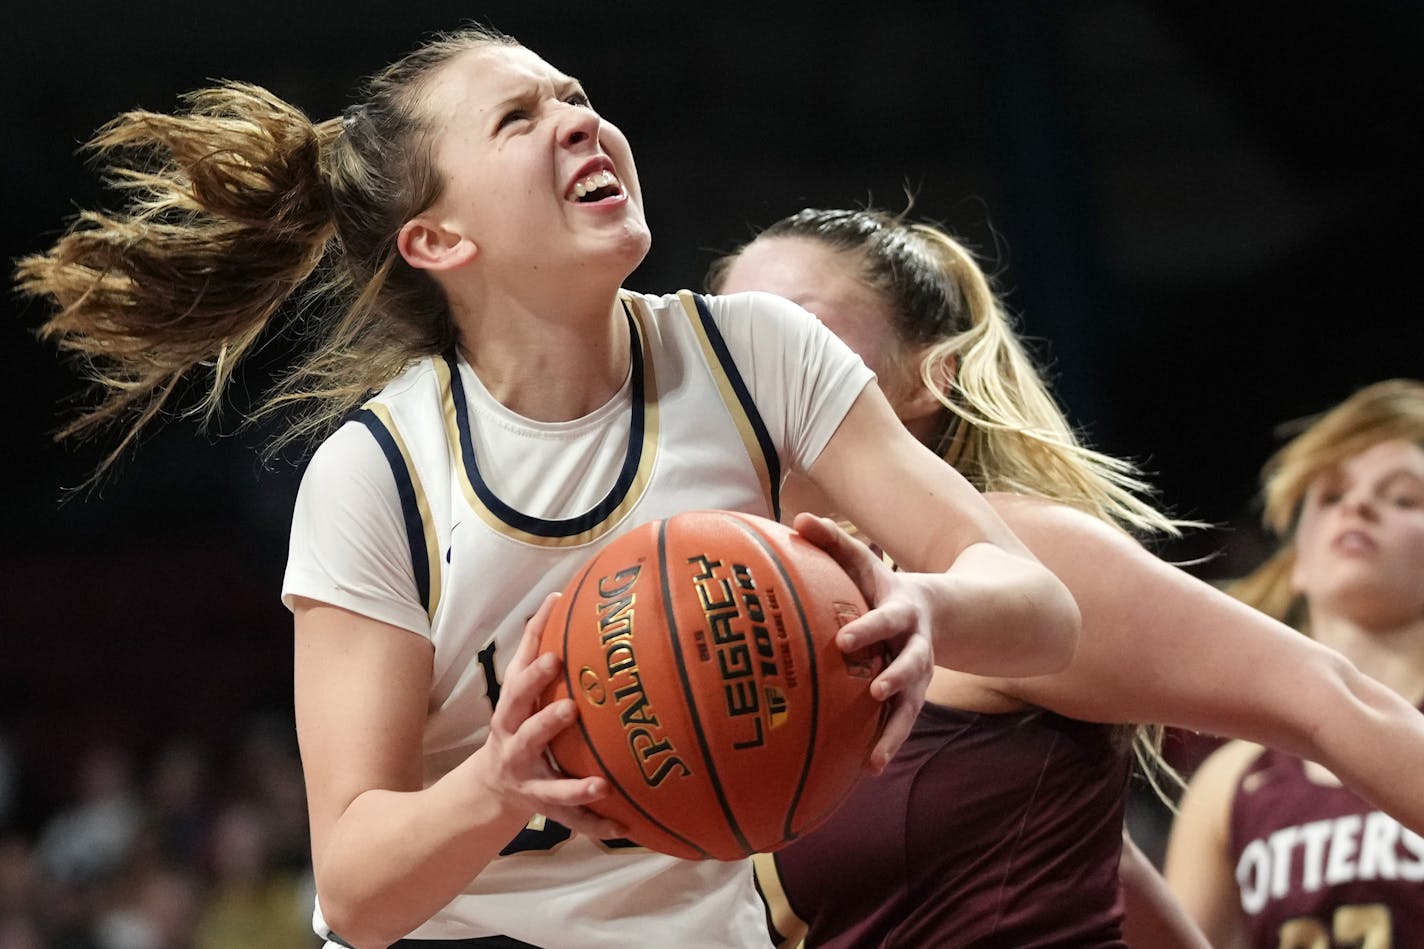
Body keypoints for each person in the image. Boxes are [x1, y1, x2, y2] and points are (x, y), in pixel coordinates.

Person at [14, 26, 1084, 949]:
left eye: (574, 97)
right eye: (516, 119)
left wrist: (923, 607)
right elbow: (353, 887)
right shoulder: (379, 473)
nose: (576, 121)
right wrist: (494, 784)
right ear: (438, 239)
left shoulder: (757, 358)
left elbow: (1042, 610)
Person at [708, 207, 1424, 946]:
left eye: (790, 331)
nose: (750, 363)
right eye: (725, 340)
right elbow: (1097, 866)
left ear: (928, 379)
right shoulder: (747, 633)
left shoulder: (1020, 557)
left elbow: (1333, 700)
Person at [1163, 379, 1424, 949]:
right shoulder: (1229, 782)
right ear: (1297, 561)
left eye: (1403, 497)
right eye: (1330, 496)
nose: (1356, 505)